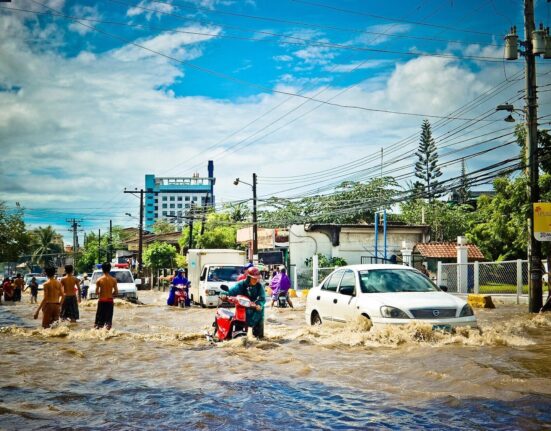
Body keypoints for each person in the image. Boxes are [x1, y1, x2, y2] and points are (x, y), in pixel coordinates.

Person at [220, 267, 265, 338]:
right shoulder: (241, 285)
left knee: (259, 335)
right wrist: (224, 294)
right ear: (249, 277)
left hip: (255, 308)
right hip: (243, 308)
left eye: (257, 278)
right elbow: (231, 291)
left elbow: (262, 298)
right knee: (239, 325)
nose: (256, 280)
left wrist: (259, 305)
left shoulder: (259, 287)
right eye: (254, 278)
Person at [94, 262, 118, 330]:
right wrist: (111, 294)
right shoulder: (114, 280)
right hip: (110, 301)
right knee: (108, 322)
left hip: (101, 301)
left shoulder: (99, 280)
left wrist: (101, 294)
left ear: (102, 269)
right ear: (110, 269)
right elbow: (116, 292)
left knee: (98, 323)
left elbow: (96, 292)